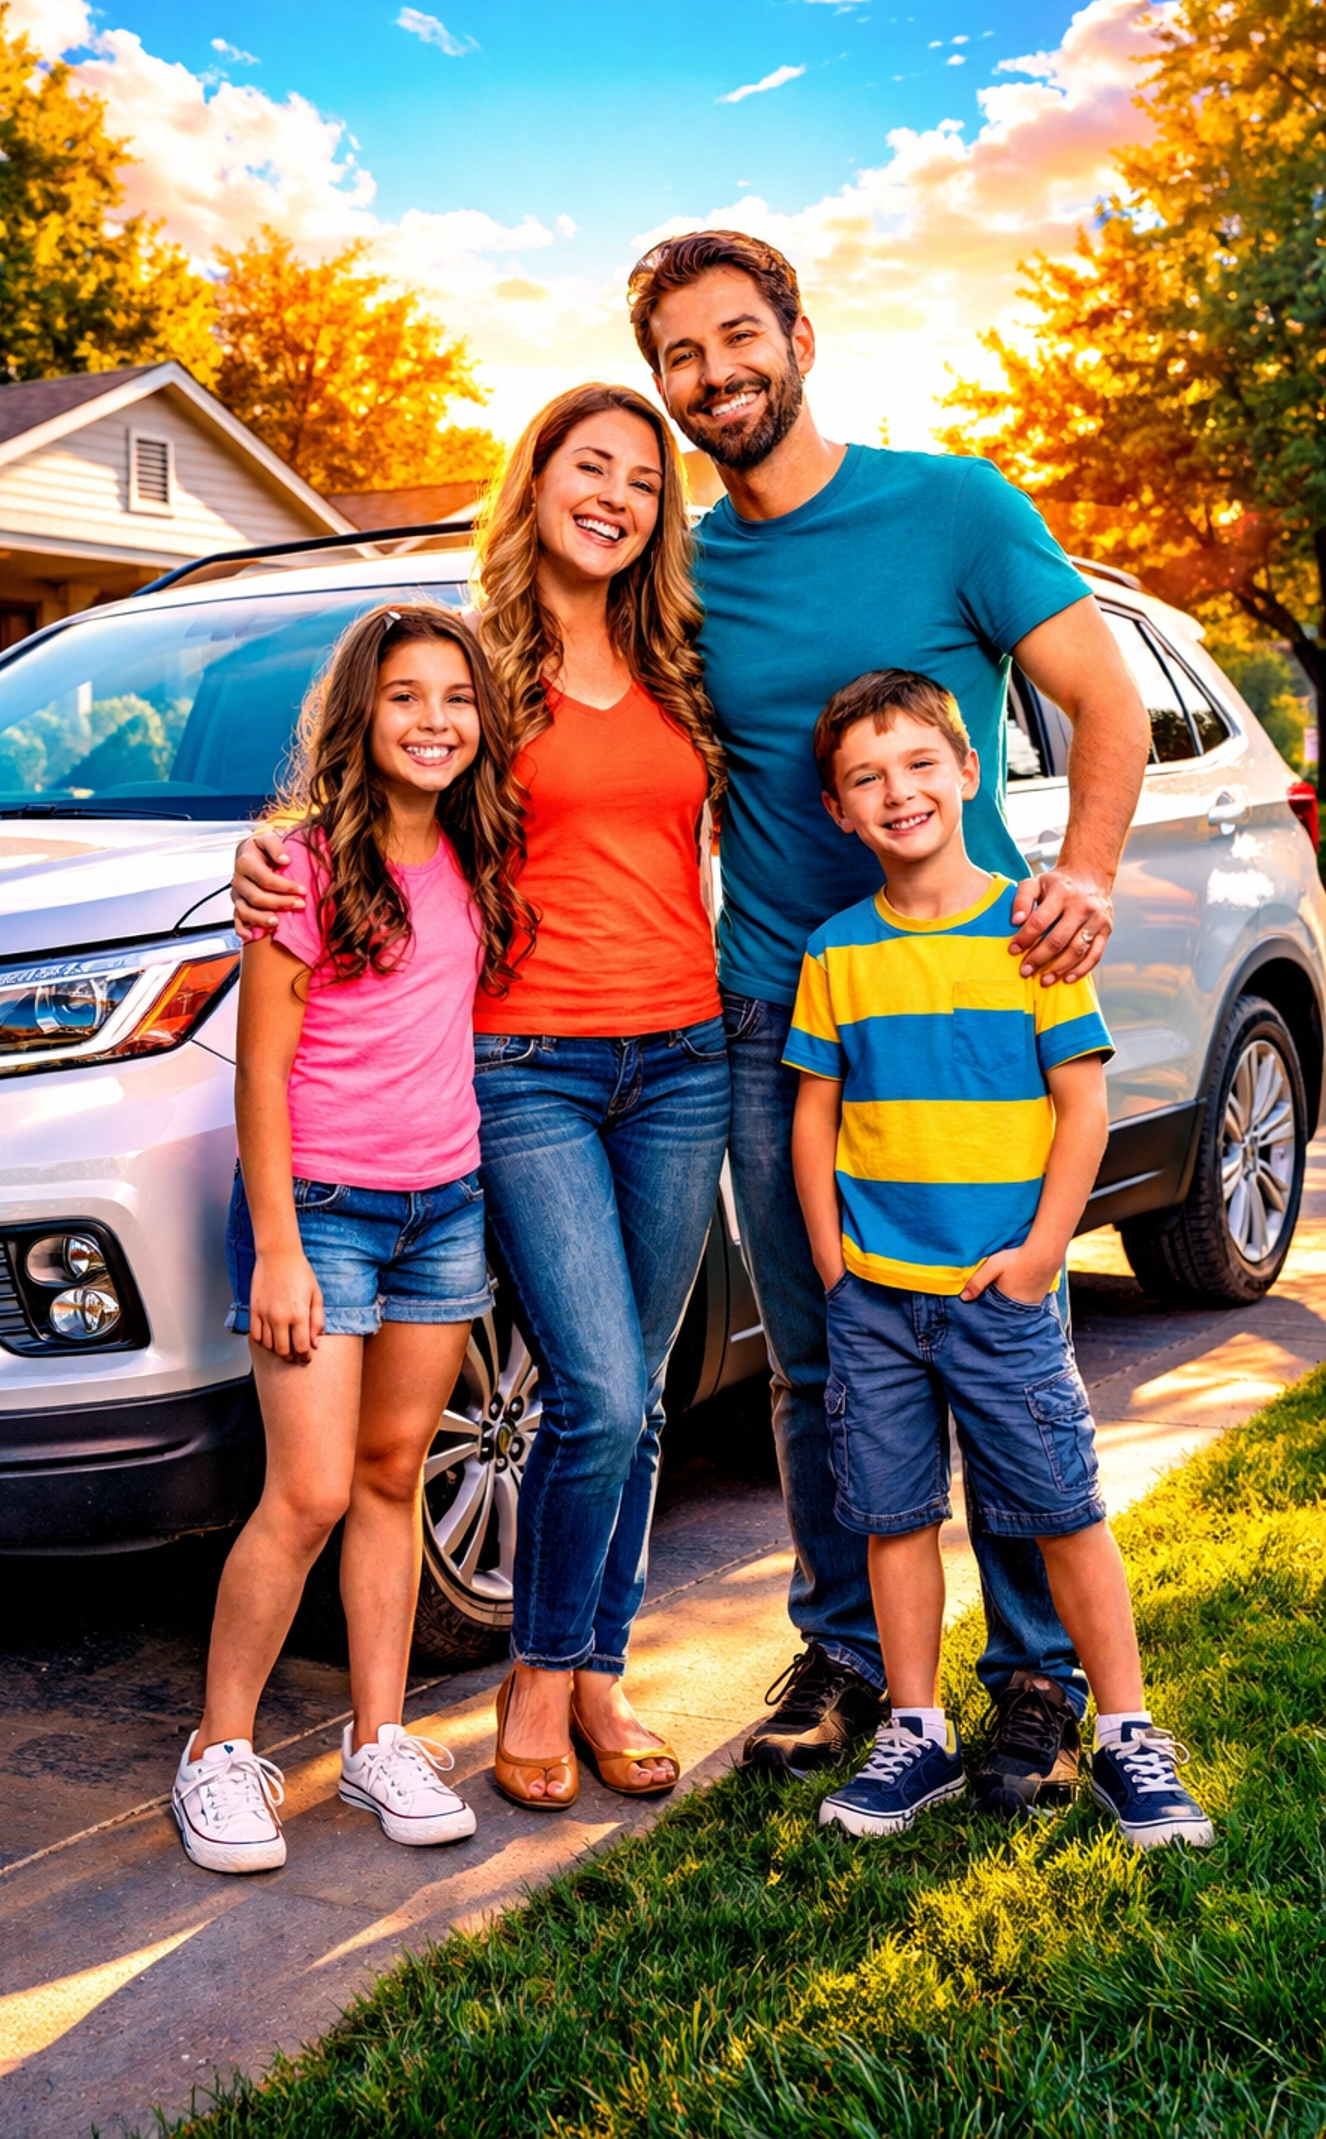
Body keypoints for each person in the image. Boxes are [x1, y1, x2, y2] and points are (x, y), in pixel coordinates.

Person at [623, 229, 1152, 1811]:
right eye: (682, 359)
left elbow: (1104, 700)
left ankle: (1041, 1685)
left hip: (970, 1003)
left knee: (1001, 1338)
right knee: (820, 1360)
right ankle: (854, 1656)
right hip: (774, 1015)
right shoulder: (681, 571)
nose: (716, 377)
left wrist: (1086, 873)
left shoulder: (957, 508)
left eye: (738, 338)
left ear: (799, 333)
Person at [232, 383, 730, 1810]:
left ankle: (592, 1669)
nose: (618, 496)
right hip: (524, 1066)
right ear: (538, 481)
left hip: (683, 1057)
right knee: (596, 1381)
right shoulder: (476, 666)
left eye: (644, 478)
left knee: (634, 1401)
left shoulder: (684, 659)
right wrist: (257, 866)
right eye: (592, 466)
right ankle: (537, 1671)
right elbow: (356, 804)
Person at [790, 669, 1213, 1848]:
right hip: (878, 1299)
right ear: (838, 810)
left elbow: (1084, 1107)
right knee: (893, 1515)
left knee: (1061, 1510)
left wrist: (1037, 1258)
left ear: (969, 772)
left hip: (1001, 1298)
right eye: (866, 778)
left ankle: (1128, 1733)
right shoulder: (837, 954)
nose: (899, 791)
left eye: (921, 764)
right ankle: (914, 1733)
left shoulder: (1029, 933)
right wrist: (834, 1262)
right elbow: (814, 1113)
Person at [172, 604, 533, 1872]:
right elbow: (258, 1076)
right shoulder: (302, 868)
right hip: (320, 1212)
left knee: (392, 1478)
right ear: (359, 717)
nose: (434, 721)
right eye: (404, 698)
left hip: (444, 1210)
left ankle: (382, 1740)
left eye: (457, 698)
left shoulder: (483, 860)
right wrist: (274, 1243)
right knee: (311, 1490)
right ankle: (219, 1753)